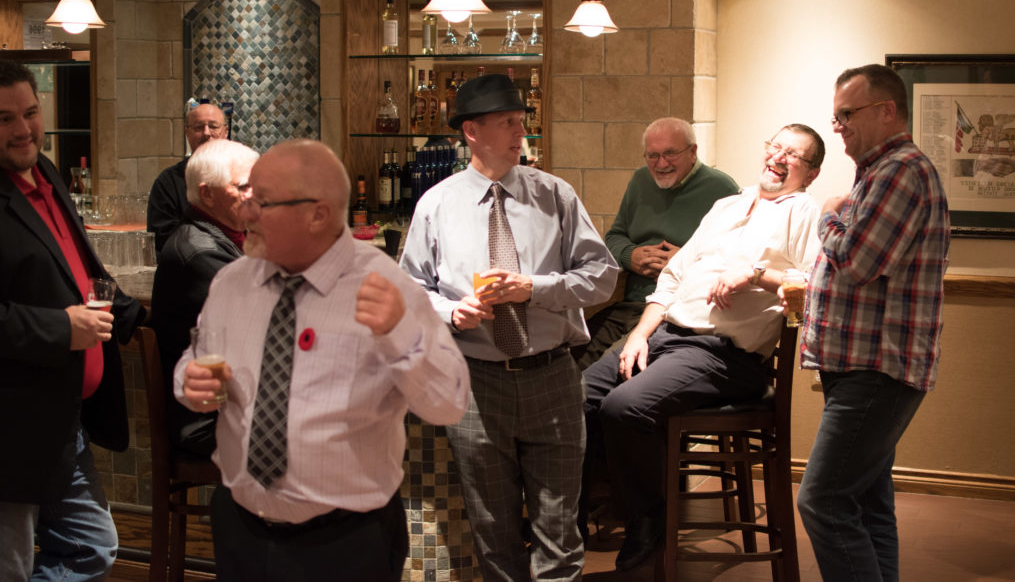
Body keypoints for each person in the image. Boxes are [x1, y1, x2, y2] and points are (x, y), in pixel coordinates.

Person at [175, 139, 469, 582]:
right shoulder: (231, 282)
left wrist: (401, 334)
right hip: (239, 528)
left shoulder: (385, 286)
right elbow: (196, 358)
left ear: (317, 214)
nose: (244, 211)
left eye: (261, 201)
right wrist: (189, 380)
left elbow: (449, 403)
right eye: (246, 195)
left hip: (345, 543)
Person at [400, 74, 619, 582]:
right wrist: (451, 313)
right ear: (472, 132)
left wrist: (532, 288)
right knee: (493, 531)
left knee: (559, 529)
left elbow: (602, 276)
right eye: (508, 123)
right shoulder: (437, 204)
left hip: (552, 376)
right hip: (476, 382)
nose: (522, 132)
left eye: (522, 121)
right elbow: (409, 290)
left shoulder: (555, 195)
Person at [583, 123, 826, 572]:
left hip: (722, 355)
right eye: (775, 147)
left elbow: (815, 285)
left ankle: (649, 518)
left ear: (810, 173)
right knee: (577, 398)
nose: (779, 157)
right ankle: (575, 520)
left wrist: (755, 274)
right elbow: (673, 276)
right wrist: (639, 334)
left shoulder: (804, 213)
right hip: (666, 334)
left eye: (793, 155)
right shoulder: (726, 205)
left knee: (624, 407)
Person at [796, 64, 950, 582]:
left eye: (847, 114)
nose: (838, 126)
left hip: (876, 370)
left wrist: (827, 214)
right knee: (866, 504)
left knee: (823, 501)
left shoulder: (901, 171)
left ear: (886, 111)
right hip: (861, 368)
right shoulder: (879, 171)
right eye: (836, 116)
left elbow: (860, 261)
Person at [0, 60, 146, 580]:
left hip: (62, 420)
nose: (23, 129)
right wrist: (62, 329)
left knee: (92, 547)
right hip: (12, 427)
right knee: (11, 566)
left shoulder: (46, 172)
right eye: (4, 119)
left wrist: (139, 315)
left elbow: (78, 267)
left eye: (30, 112)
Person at [572, 117, 739, 370]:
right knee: (571, 356)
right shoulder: (641, 180)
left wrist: (685, 260)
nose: (661, 164)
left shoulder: (722, 189)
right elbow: (614, 237)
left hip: (678, 312)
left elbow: (733, 260)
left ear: (693, 152)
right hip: (631, 303)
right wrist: (630, 255)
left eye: (670, 153)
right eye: (652, 155)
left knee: (614, 367)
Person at [150, 138, 259, 457]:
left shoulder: (229, 236)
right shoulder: (199, 254)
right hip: (205, 417)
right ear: (207, 193)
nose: (255, 195)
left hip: (233, 402)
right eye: (244, 186)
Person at [147, 102, 228, 251]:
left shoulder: (242, 177)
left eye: (213, 126)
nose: (206, 133)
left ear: (225, 132)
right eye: (198, 127)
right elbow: (163, 239)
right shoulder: (168, 183)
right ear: (187, 133)